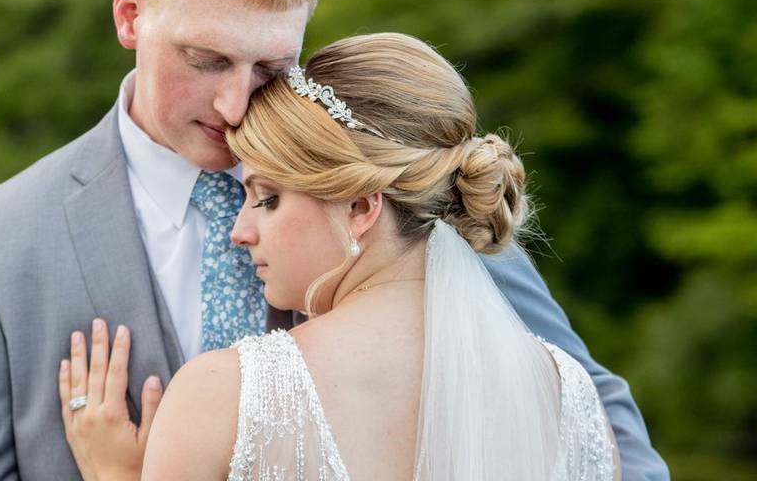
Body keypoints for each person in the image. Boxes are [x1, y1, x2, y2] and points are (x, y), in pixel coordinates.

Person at [0, 0, 668, 481]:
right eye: (206, 59)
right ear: (130, 13)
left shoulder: (375, 167)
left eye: (273, 63)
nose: (238, 102)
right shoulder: (6, 235)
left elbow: (598, 425)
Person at [56, 33, 622, 480]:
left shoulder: (222, 397)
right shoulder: (570, 397)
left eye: (268, 199)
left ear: (359, 207)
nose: (240, 231)